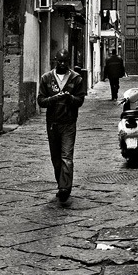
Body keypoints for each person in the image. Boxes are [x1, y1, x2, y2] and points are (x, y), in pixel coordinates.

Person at [37, 50, 86, 201]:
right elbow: (41, 101)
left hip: (69, 123)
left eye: (65, 62)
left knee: (67, 156)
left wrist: (70, 97)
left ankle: (65, 188)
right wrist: (53, 99)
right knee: (56, 158)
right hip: (52, 123)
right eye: (60, 61)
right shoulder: (46, 78)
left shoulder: (76, 79)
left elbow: (80, 101)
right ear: (55, 61)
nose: (63, 64)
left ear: (68, 62)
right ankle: (61, 184)